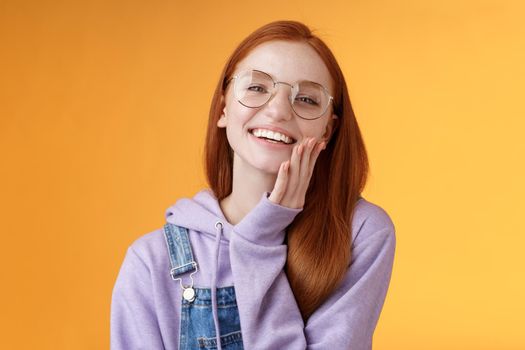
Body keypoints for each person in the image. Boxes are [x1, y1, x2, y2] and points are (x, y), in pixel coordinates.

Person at [111, 20, 396, 350]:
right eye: (257, 88)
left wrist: (261, 237)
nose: (277, 111)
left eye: (306, 99)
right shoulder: (151, 261)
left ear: (327, 132)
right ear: (223, 109)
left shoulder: (360, 232)